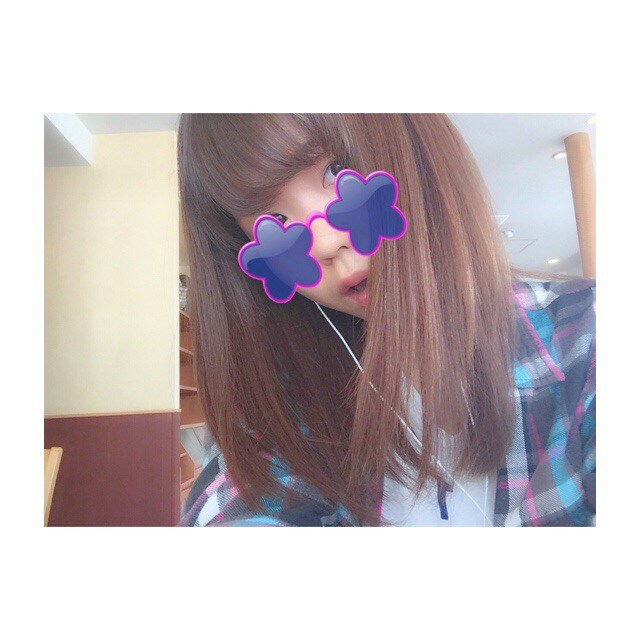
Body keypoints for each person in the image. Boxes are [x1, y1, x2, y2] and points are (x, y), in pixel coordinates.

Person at [177, 114, 596, 527]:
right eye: (276, 223)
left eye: (337, 171)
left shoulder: (589, 334)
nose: (326, 242)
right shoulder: (278, 410)